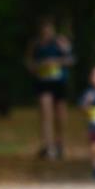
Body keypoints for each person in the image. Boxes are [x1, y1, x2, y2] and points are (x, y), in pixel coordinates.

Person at [25, 16, 74, 159]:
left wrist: (56, 61)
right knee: (46, 113)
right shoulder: (35, 44)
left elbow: (70, 60)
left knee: (60, 115)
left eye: (49, 31)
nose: (47, 33)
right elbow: (29, 62)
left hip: (59, 83)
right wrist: (39, 66)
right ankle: (48, 146)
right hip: (43, 82)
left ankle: (60, 143)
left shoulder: (60, 42)